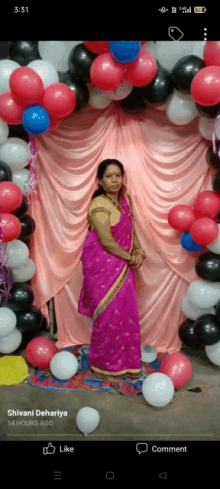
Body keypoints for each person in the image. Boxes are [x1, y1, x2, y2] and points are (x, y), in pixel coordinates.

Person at [78, 159, 146, 381]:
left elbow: (131, 228)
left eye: (118, 175)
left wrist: (137, 249)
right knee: (108, 316)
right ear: (100, 180)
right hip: (103, 266)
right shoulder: (99, 205)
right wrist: (130, 258)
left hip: (121, 264)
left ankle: (126, 362)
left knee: (125, 313)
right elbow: (106, 241)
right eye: (109, 176)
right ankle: (103, 364)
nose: (115, 180)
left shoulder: (124, 200)